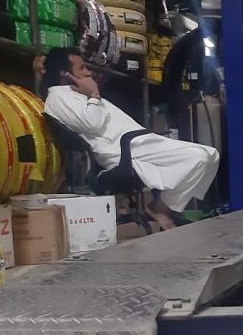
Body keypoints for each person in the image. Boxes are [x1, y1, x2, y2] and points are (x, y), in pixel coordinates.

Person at [41, 48, 220, 231]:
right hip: (124, 149)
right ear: (64, 73)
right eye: (81, 68)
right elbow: (92, 123)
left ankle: (166, 206)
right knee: (201, 157)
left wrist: (91, 95)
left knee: (211, 155)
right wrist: (94, 95)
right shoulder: (59, 98)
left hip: (139, 142)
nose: (88, 72)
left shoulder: (77, 94)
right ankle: (161, 209)